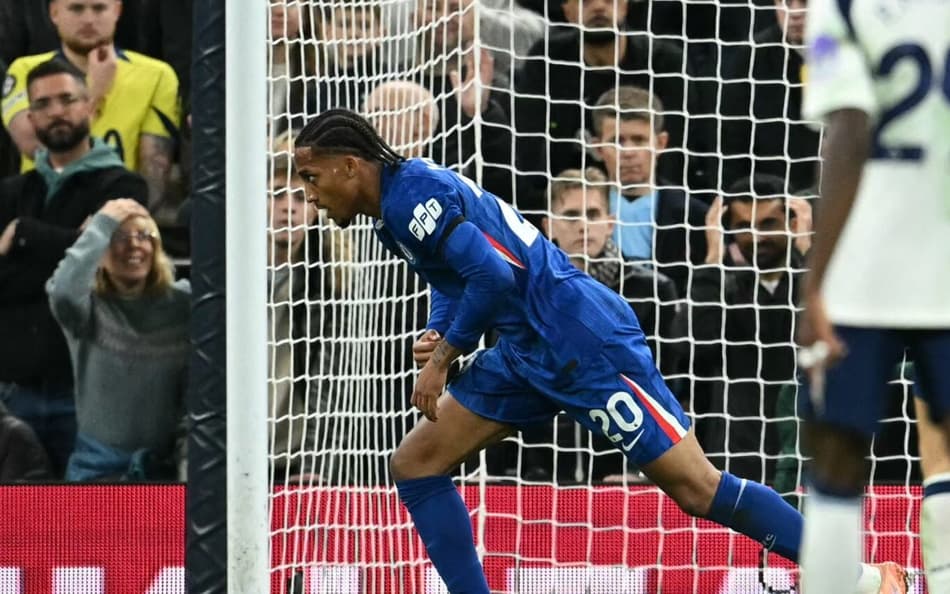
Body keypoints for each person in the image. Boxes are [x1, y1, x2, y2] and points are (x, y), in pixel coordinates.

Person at [292, 108, 905, 594]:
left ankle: (861, 581)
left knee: (697, 489)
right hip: (526, 348)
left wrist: (443, 357)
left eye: (313, 179)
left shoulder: (411, 196)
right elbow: (455, 278)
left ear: (350, 166)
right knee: (416, 463)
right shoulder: (395, 211)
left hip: (581, 341)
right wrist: (439, 329)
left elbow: (493, 278)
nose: (311, 197)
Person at [796, 0, 950, 591]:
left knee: (836, 461)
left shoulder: (840, 6)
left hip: (866, 270)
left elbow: (850, 126)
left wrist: (815, 284)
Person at [0, 58, 147, 476]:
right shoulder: (9, 192)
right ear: (30, 117)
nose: (56, 111)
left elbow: (106, 272)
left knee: (84, 536)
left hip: (87, 399)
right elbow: (76, 263)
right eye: (43, 104)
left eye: (67, 99)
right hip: (13, 392)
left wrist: (24, 235)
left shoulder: (122, 186)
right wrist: (76, 242)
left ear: (91, 106)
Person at [46, 198, 188, 481]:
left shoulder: (184, 303)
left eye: (143, 235)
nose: (134, 245)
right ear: (98, 252)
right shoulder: (86, 310)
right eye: (118, 237)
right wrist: (102, 224)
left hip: (167, 468)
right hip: (97, 468)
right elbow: (61, 291)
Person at [2, 0, 180, 217]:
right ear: (54, 12)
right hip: (41, 215)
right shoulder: (25, 70)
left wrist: (118, 226)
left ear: (117, 10)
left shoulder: (157, 75)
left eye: (99, 8)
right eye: (76, 8)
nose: (88, 19)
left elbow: (154, 175)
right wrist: (93, 93)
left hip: (117, 222)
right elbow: (35, 146)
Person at [687, 174, 812, 483]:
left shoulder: (811, 284)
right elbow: (694, 346)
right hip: (737, 452)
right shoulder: (720, 288)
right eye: (743, 227)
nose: (755, 237)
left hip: (809, 444)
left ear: (792, 223)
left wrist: (809, 254)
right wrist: (713, 259)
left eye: (767, 224)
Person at [266, 150, 351, 485]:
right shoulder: (226, 285)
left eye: (301, 198)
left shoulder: (331, 290)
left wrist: (317, 462)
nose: (289, 207)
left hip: (298, 461)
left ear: (316, 211)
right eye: (276, 194)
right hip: (231, 455)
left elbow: (330, 385)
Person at [590, 86, 708, 296]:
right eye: (617, 141)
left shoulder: (696, 217)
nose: (628, 152)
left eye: (639, 140)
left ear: (661, 143)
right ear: (598, 148)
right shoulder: (576, 213)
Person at [719, 0, 820, 193]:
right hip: (772, 199)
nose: (796, 13)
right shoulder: (752, 57)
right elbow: (732, 143)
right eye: (787, 3)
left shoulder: (851, 56)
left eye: (805, 2)